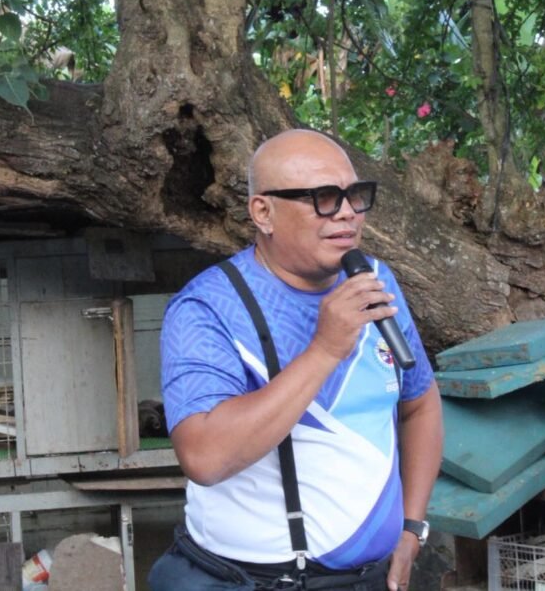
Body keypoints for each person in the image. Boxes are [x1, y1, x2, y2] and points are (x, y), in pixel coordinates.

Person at [149, 129, 444, 591]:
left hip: (371, 578)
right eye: (323, 197)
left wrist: (412, 529)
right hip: (252, 581)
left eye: (354, 196)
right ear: (263, 212)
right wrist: (325, 349)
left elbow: (420, 403)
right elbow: (204, 457)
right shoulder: (208, 307)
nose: (347, 212)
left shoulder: (375, 281)